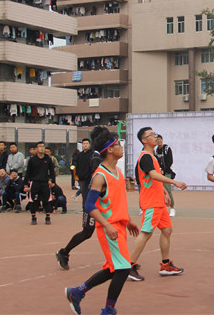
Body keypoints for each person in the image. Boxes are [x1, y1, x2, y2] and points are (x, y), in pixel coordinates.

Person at [65, 127, 140, 315]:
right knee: (123, 269)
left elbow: (116, 203)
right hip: (109, 229)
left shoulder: (118, 172)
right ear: (110, 150)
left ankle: (77, 292)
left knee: (114, 269)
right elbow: (89, 205)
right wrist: (106, 224)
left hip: (119, 226)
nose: (121, 147)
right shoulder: (100, 176)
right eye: (118, 144)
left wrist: (128, 220)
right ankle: (108, 310)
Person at [128, 127, 187, 281]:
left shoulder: (152, 157)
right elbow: (153, 175)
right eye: (151, 135)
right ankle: (129, 266)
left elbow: (155, 179)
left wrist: (165, 192)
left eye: (155, 134)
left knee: (167, 230)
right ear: (144, 140)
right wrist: (174, 182)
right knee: (146, 233)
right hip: (151, 202)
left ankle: (165, 265)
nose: (155, 136)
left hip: (158, 201)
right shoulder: (145, 157)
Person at [56, 134, 104, 270]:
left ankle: (125, 263)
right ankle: (64, 252)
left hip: (105, 206)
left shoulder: (108, 165)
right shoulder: (95, 159)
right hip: (93, 205)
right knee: (87, 232)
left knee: (113, 231)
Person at [24, 141, 56, 225]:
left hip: (45, 183)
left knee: (47, 200)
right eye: (40, 146)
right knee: (33, 200)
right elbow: (28, 172)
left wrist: (52, 181)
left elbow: (52, 171)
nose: (42, 148)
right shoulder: (32, 160)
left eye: (43, 146)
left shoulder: (48, 159)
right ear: (36, 149)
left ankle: (48, 217)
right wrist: (26, 184)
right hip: (35, 182)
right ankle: (33, 217)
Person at [155, 135, 177, 217]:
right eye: (157, 140)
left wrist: (164, 170)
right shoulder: (156, 150)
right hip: (159, 173)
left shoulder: (167, 148)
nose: (159, 141)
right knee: (159, 191)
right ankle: (162, 208)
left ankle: (172, 208)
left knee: (167, 190)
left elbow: (170, 161)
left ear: (162, 140)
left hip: (166, 173)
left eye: (160, 139)